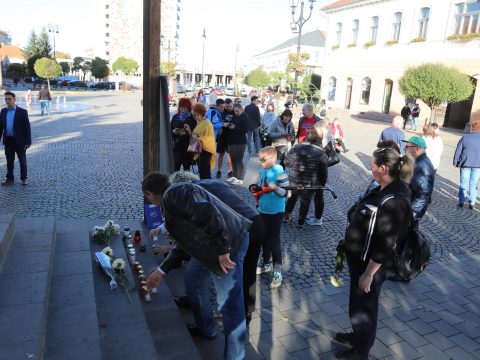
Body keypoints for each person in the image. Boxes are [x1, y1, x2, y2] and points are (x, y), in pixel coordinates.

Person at [143, 172, 251, 359]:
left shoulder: (173, 194)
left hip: (227, 247)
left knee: (230, 306)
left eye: (147, 196)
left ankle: (235, 356)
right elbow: (186, 243)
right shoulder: (172, 197)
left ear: (150, 194)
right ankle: (206, 328)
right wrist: (162, 270)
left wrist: (223, 249)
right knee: (193, 279)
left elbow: (209, 213)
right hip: (214, 247)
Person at [336, 147, 414, 360]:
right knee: (357, 303)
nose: (370, 168)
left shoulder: (395, 199)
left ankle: (361, 351)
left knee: (365, 308)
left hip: (370, 265)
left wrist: (369, 273)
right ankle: (357, 336)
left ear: (383, 168)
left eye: (372, 165)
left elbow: (386, 242)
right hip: (359, 259)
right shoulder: (382, 187)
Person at [164, 171, 265, 326]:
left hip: (238, 229)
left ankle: (234, 314)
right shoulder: (214, 183)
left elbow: (208, 220)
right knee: (249, 270)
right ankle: (247, 311)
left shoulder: (195, 193)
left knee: (228, 273)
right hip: (256, 221)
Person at [255, 146, 289, 288]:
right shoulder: (263, 171)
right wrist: (255, 189)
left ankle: (277, 272)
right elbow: (258, 186)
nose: (261, 162)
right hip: (263, 210)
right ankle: (266, 263)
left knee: (273, 241)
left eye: (264, 160)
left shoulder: (280, 171)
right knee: (263, 238)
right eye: (260, 160)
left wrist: (275, 188)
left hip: (275, 212)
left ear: (273, 158)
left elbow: (287, 193)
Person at [283, 130, 329, 229]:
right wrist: (322, 183)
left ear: (306, 138)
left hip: (294, 180)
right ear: (317, 139)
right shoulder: (321, 152)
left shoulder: (296, 148)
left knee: (292, 198)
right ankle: (301, 223)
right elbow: (323, 172)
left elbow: (287, 163)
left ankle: (287, 218)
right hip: (311, 183)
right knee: (305, 202)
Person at [0, 91, 31, 186]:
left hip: (19, 141)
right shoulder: (3, 111)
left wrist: (28, 141)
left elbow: (27, 127)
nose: (7, 100)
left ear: (14, 100)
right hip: (8, 140)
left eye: (9, 99)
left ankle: (24, 178)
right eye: (6, 99)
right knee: (9, 160)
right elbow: (0, 127)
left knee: (22, 160)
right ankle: (9, 178)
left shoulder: (22, 112)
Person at [402, 136, 435, 223]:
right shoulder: (417, 161)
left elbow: (422, 195)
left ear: (416, 148)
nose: (404, 149)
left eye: (407, 147)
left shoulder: (423, 166)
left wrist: (411, 215)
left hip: (410, 212)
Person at [453, 119, 480, 209]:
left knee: (464, 182)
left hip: (465, 163)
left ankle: (461, 201)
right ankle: (472, 202)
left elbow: (458, 150)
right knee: (474, 183)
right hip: (478, 165)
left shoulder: (465, 137)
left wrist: (456, 162)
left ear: (472, 127)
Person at [185, 103, 216, 179]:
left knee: (205, 173)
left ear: (200, 113)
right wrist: (189, 130)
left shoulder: (207, 123)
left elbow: (210, 139)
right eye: (193, 115)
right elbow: (195, 135)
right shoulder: (199, 123)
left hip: (206, 151)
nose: (194, 117)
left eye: (195, 115)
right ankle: (204, 187)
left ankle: (207, 188)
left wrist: (198, 137)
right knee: (202, 172)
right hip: (200, 151)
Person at [170, 98, 196, 171]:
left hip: (187, 147)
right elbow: (170, 129)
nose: (183, 110)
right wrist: (173, 132)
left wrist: (188, 131)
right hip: (177, 146)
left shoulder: (192, 118)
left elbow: (195, 132)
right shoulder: (175, 117)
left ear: (188, 108)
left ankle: (186, 182)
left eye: (185, 108)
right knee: (176, 166)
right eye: (181, 108)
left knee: (186, 168)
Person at [225, 103, 248, 185]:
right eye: (235, 111)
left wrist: (235, 127)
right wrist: (228, 125)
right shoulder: (234, 116)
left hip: (240, 142)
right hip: (232, 141)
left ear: (242, 110)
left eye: (237, 111)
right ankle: (234, 176)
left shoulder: (245, 118)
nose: (236, 113)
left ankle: (240, 178)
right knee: (233, 159)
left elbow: (245, 130)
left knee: (238, 160)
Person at [216, 98, 233, 179]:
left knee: (229, 155)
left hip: (230, 137)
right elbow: (217, 123)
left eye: (230, 106)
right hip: (222, 137)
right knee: (221, 155)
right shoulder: (221, 112)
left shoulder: (234, 111)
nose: (229, 108)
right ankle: (219, 170)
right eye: (227, 106)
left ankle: (230, 171)